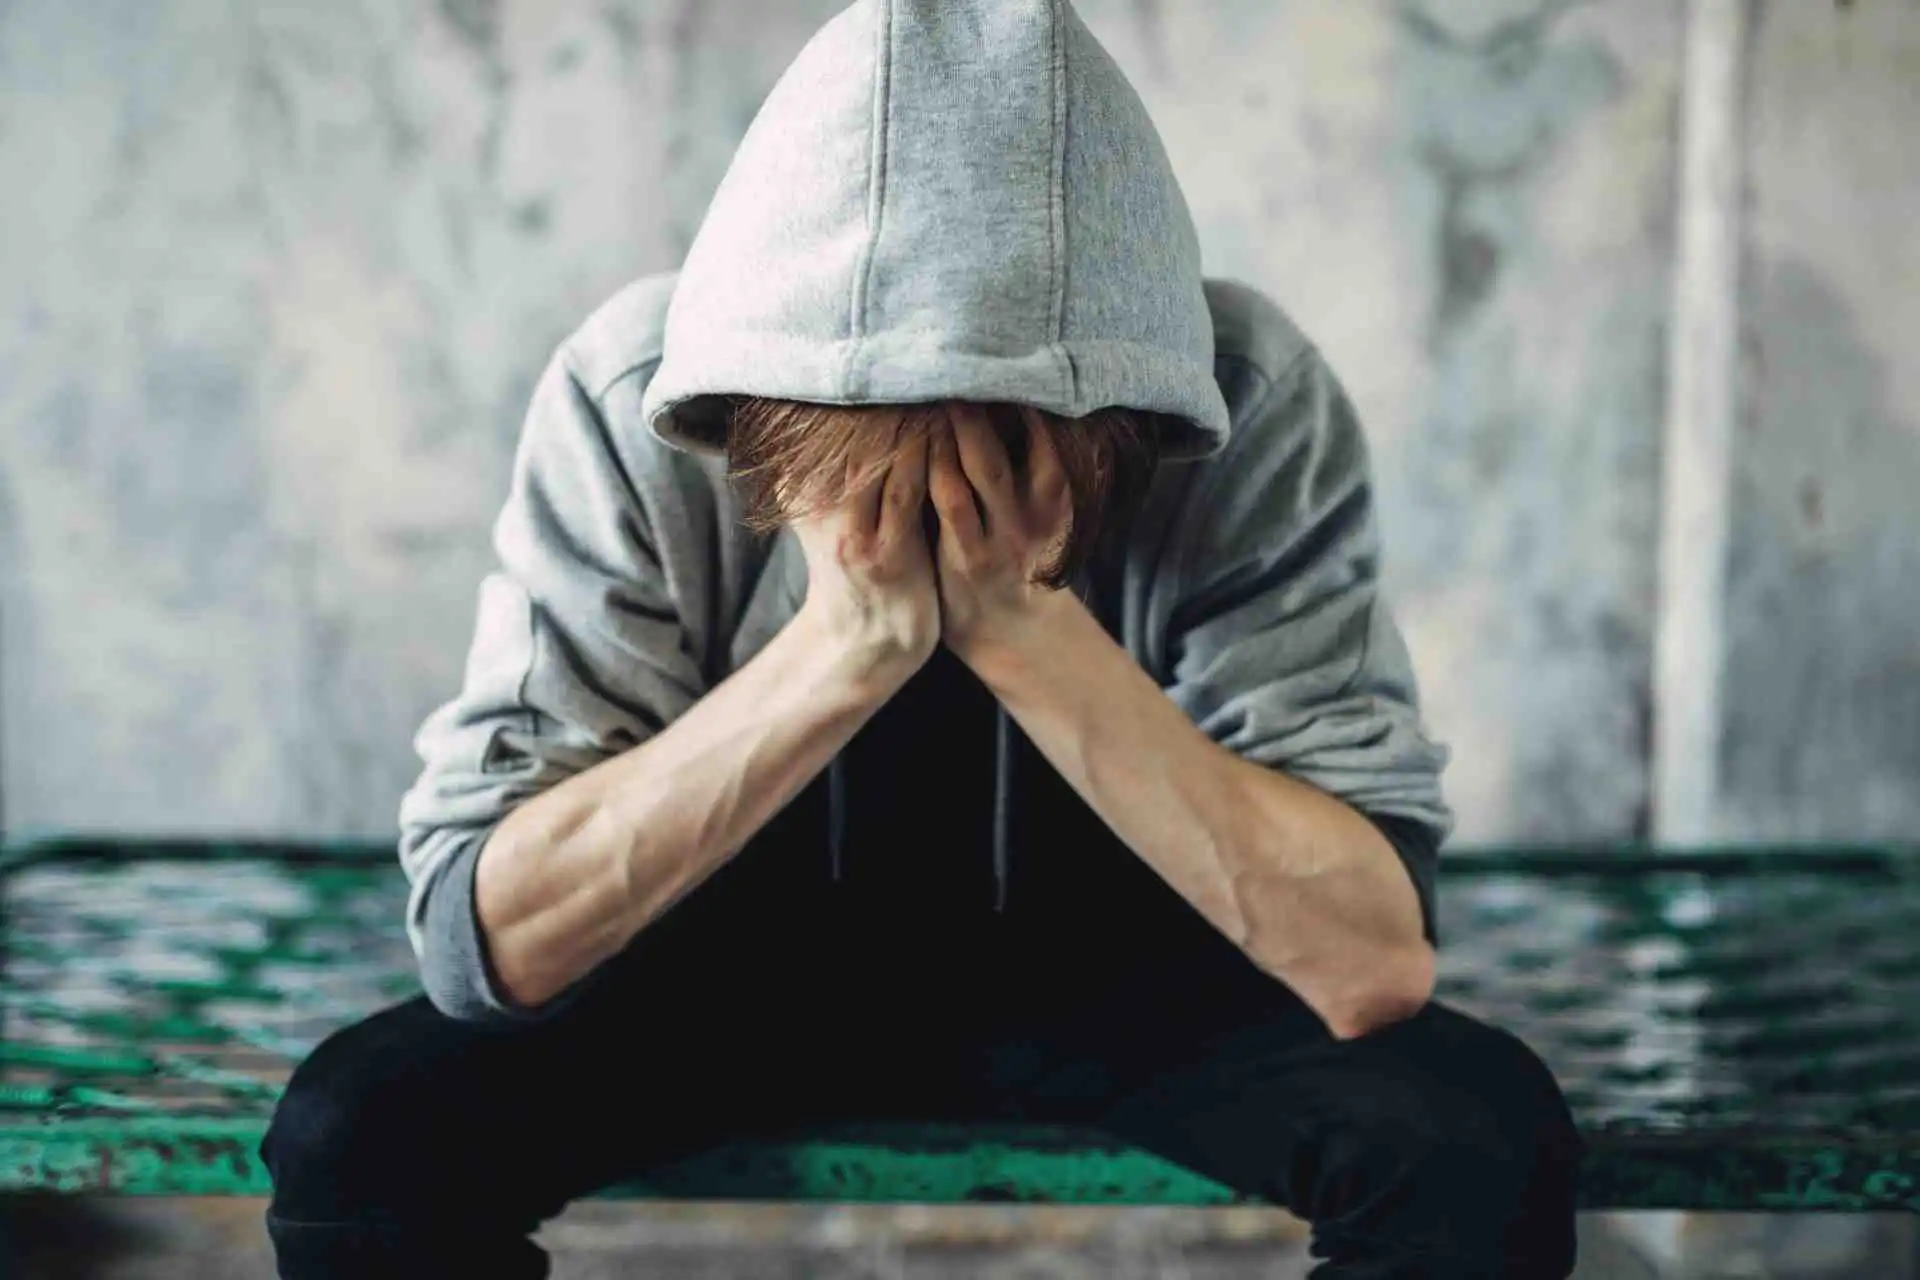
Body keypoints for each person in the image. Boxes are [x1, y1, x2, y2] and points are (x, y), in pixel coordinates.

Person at [259, 1, 1584, 1275]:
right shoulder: (631, 395)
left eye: (996, 478)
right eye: (872, 490)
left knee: (1472, 1138)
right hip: (719, 969)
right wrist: (844, 650)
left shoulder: (1247, 405)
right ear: (759, 437)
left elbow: (1372, 964)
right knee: (359, 1129)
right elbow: (486, 945)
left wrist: (1022, 627)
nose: (931, 526)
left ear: (1117, 432)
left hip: (1140, 969)